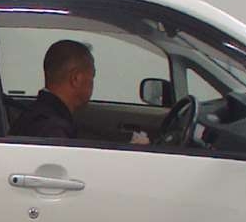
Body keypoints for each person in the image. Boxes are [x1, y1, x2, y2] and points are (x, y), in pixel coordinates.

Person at [8, 39, 149, 144]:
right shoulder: (52, 130)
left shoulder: (40, 115)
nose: (92, 83)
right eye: (92, 76)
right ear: (76, 78)